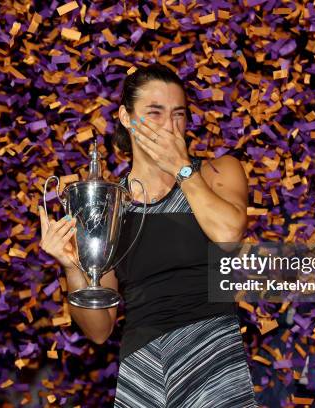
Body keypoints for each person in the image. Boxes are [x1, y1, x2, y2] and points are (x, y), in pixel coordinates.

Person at [38, 63, 259, 407]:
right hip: (143, 369)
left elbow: (228, 233)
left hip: (212, 356)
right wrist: (71, 268)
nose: (170, 126)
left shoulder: (218, 171)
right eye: (154, 113)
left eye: (178, 114)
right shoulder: (109, 204)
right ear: (126, 118)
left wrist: (182, 169)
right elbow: (99, 330)